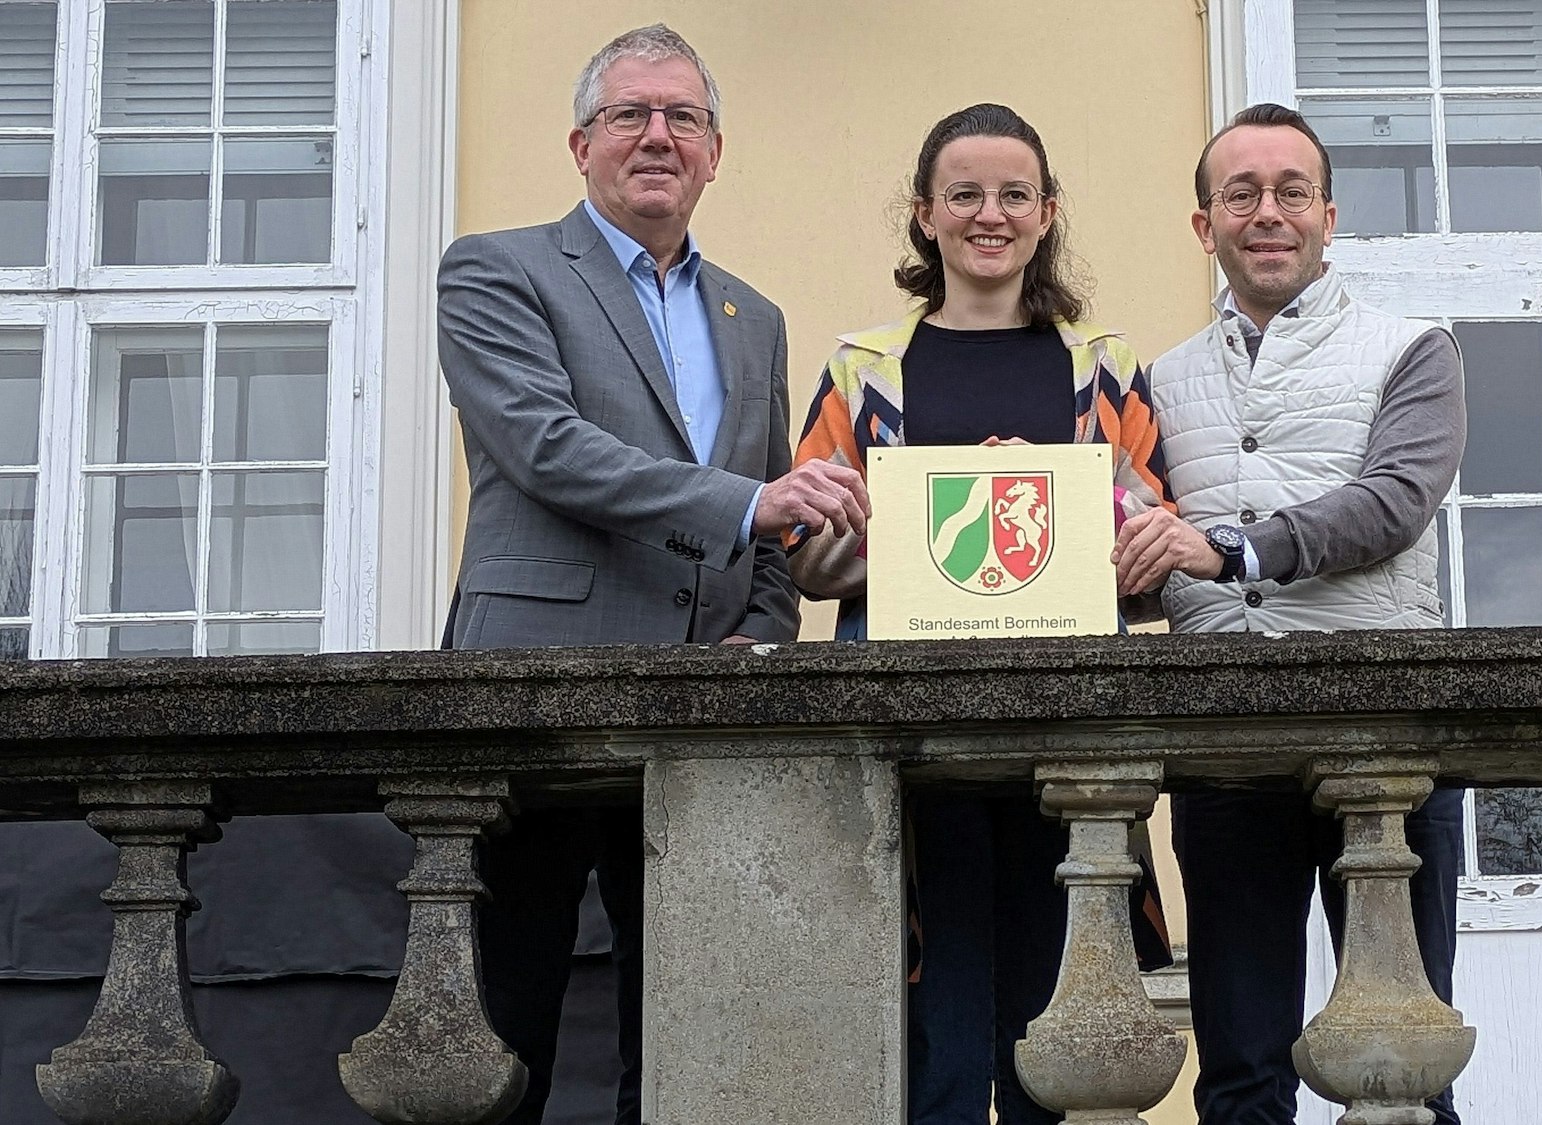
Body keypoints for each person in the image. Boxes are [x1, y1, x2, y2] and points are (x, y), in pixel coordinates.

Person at [434, 24, 868, 1125]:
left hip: (703, 709)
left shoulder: (753, 317)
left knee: (690, 1024)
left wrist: (766, 640)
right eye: (630, 114)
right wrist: (747, 506)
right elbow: (545, 448)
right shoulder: (496, 269)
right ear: (582, 143)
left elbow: (773, 513)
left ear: (715, 152)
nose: (657, 136)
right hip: (533, 686)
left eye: (683, 117)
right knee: (501, 1016)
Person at [787, 103, 1173, 1124]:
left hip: (1069, 737)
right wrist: (944, 505)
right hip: (911, 748)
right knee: (934, 1034)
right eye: (962, 194)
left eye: (1012, 194)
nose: (987, 214)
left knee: (1061, 1027)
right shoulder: (862, 369)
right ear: (923, 214)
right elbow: (811, 560)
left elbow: (1151, 557)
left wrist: (1046, 500)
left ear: (1047, 213)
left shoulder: (1102, 368)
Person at [1111, 103, 1467, 1125]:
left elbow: (1392, 503)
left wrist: (1227, 548)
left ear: (1326, 215)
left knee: (1402, 1060)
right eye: (1240, 194)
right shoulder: (1158, 381)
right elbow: (1138, 550)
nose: (1266, 213)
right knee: (1238, 1069)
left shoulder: (1413, 351)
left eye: (1289, 192)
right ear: (1203, 223)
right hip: (1222, 749)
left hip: (1385, 731)